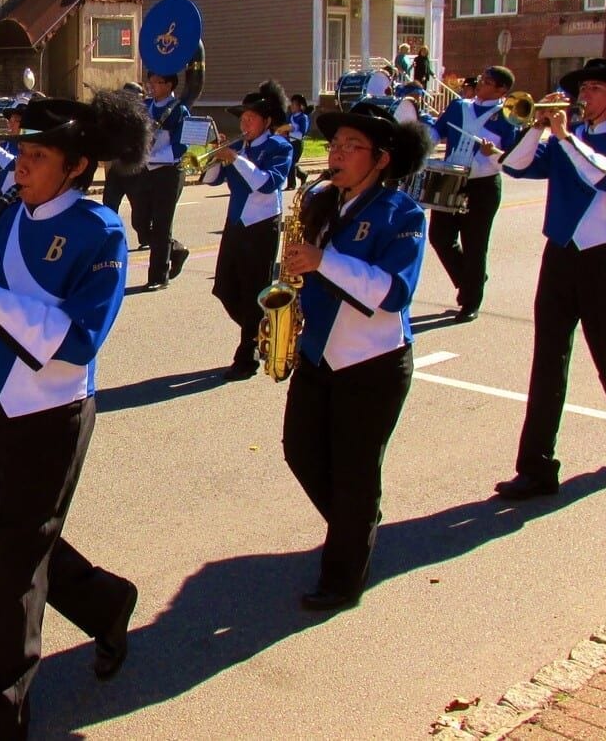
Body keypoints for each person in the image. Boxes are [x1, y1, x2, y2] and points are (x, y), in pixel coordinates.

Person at [0, 90, 148, 738]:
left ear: (74, 165)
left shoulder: (100, 232)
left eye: (36, 155)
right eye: (20, 152)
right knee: (18, 544)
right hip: (1, 406)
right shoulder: (9, 217)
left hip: (55, 413)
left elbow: (76, 347)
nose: (19, 165)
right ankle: (107, 601)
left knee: (14, 566)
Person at [280, 100, 432, 611]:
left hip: (373, 363)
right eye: (336, 145)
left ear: (382, 159)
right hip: (318, 355)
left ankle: (343, 578)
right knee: (300, 452)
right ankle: (356, 528)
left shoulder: (402, 213)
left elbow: (393, 293)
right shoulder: (322, 202)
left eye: (351, 146)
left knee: (355, 473)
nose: (337, 154)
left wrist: (324, 261)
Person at [490, 58, 606, 499]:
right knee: (547, 362)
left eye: (596, 88)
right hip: (560, 257)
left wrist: (565, 138)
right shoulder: (571, 136)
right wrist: (538, 128)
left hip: (605, 261)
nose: (585, 96)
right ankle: (536, 467)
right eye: (584, 88)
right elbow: (516, 166)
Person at [203, 80, 294, 380]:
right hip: (235, 224)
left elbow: (268, 184)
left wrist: (237, 159)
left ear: (266, 122)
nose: (244, 123)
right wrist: (216, 155)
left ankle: (247, 355)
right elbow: (210, 180)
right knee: (225, 288)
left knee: (255, 290)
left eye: (250, 118)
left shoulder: (279, 146)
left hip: (261, 226)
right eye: (242, 118)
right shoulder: (237, 148)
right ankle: (264, 331)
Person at [424, 65, 523, 322]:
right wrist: (421, 145)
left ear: (502, 89)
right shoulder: (460, 107)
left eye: (488, 81)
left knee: (475, 245)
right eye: (482, 78)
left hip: (483, 185)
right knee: (439, 237)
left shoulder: (508, 115)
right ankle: (471, 280)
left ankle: (470, 301)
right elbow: (437, 130)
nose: (481, 83)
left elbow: (515, 158)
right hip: (449, 179)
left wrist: (496, 153)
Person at [128, 69, 191, 290]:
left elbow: (181, 146)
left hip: (169, 171)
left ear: (170, 85)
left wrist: (152, 157)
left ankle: (158, 277)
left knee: (162, 223)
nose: (152, 85)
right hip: (145, 170)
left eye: (158, 82)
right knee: (140, 221)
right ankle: (175, 249)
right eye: (150, 81)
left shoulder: (180, 110)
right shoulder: (145, 107)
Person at [101, 81, 145, 240]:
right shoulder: (115, 117)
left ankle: (162, 244)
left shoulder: (144, 119)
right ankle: (108, 240)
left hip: (136, 172)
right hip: (117, 172)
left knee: (140, 220)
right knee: (108, 210)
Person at [286, 93, 312, 191]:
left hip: (297, 143)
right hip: (289, 142)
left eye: (294, 104)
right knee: (290, 162)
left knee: (292, 163)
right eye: (291, 104)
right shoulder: (290, 116)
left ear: (300, 106)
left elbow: (301, 134)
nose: (292, 106)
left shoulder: (303, 117)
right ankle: (303, 175)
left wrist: (289, 133)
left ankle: (291, 184)